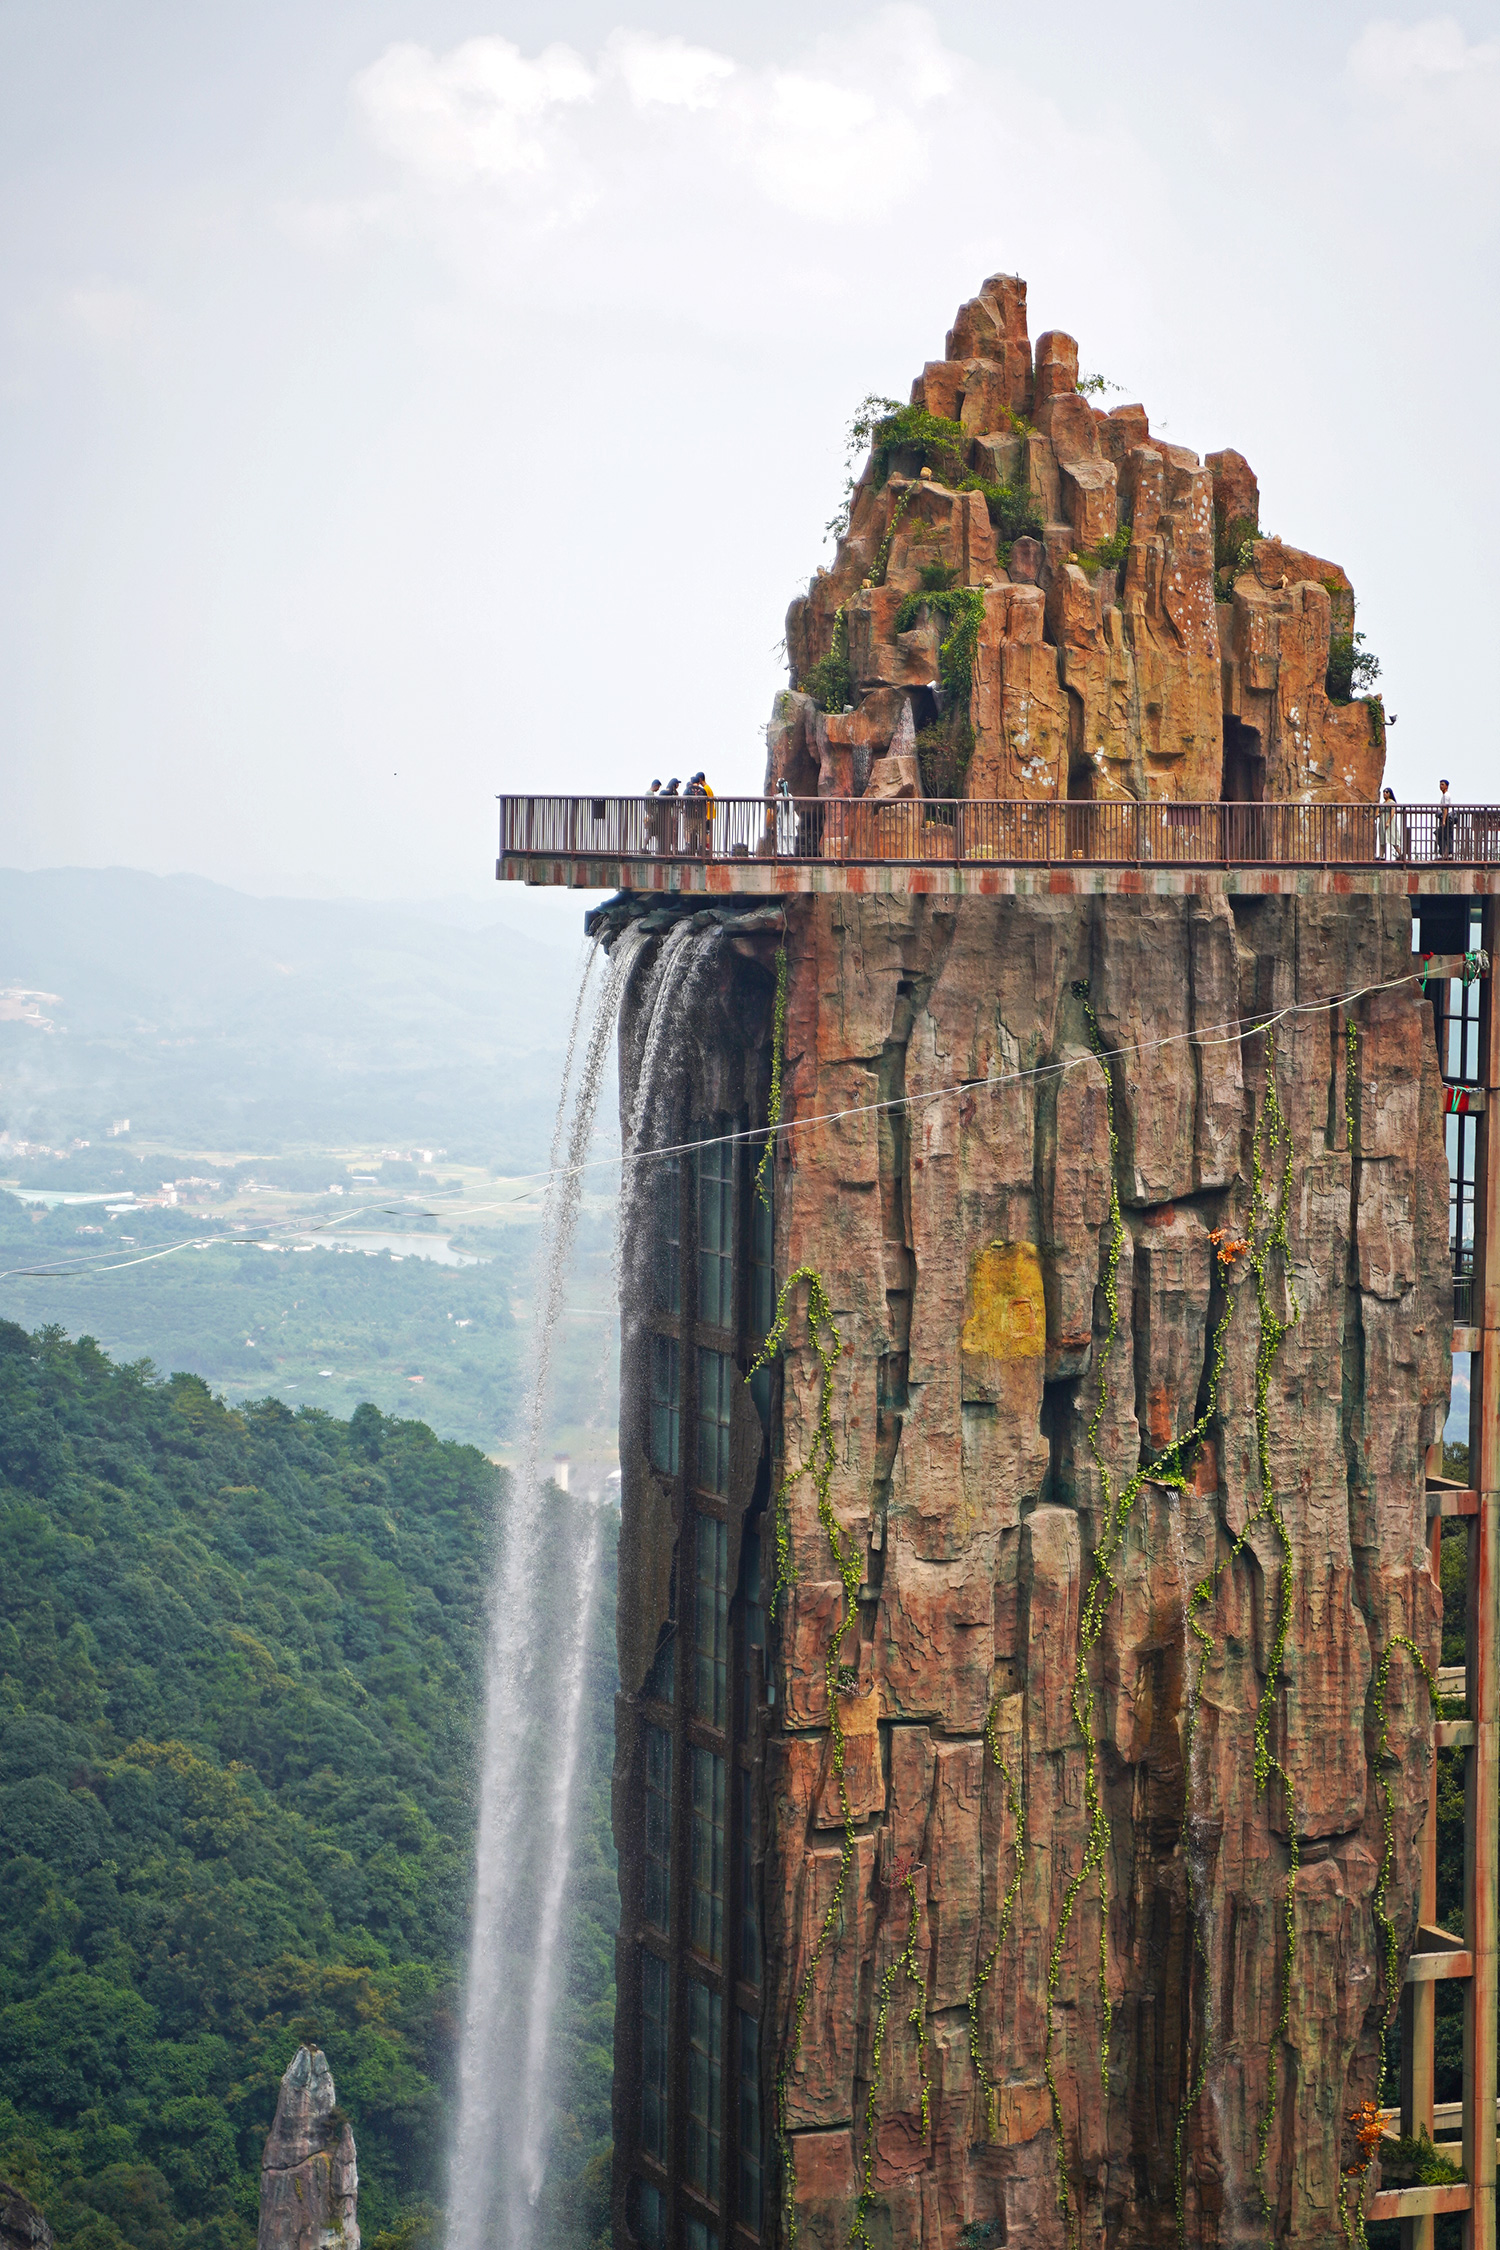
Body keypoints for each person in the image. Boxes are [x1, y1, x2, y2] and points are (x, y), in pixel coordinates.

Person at [683, 771, 708, 857]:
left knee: (687, 829)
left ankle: (688, 844)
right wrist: (705, 814)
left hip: (690, 814)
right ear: (698, 782)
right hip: (700, 815)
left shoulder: (687, 790)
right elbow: (705, 803)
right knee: (701, 831)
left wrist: (685, 812)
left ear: (692, 782)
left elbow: (684, 802)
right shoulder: (703, 790)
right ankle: (701, 846)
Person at [1378, 786, 1401, 863]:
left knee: (1392, 838)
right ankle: (1381, 856)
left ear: (1390, 793)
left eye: (1386, 792)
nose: (1384, 793)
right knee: (1382, 839)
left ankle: (1401, 854)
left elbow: (1392, 812)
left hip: (1389, 822)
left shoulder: (1391, 802)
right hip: (1382, 821)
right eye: (1384, 792)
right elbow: (1380, 813)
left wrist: (1388, 821)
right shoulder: (1383, 803)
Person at [644, 778, 664, 854]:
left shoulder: (648, 793)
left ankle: (656, 848)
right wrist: (651, 814)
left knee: (654, 833)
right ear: (655, 786)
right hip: (652, 817)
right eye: (658, 787)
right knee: (651, 833)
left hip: (651, 816)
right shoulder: (650, 793)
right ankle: (645, 848)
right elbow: (649, 805)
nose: (658, 789)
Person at [1437, 777, 1455, 860]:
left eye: (1442, 784)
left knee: (1444, 835)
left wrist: (1443, 820)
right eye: (1440, 784)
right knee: (1444, 835)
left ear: (1446, 786)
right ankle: (1446, 853)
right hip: (1446, 817)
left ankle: (1446, 853)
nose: (1441, 786)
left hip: (1447, 818)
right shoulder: (1444, 795)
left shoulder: (1446, 796)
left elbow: (1446, 809)